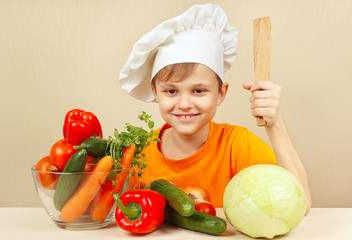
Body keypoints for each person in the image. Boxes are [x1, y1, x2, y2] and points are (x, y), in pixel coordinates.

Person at [118, 4, 311, 213]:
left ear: (221, 93)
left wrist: (275, 124)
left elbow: (301, 203)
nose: (184, 104)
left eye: (199, 91)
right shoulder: (137, 153)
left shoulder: (235, 145)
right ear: (155, 92)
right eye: (171, 91)